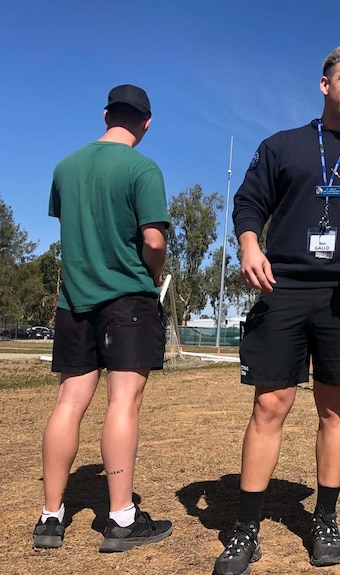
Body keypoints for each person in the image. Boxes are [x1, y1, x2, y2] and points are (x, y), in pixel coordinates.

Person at [213, 44, 340, 574]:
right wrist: (250, 245)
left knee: (334, 409)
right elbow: (249, 201)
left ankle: (324, 517)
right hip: (285, 288)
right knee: (270, 407)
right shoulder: (282, 147)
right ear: (324, 85)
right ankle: (246, 529)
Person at [33, 84, 172, 552]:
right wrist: (150, 281)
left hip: (74, 299)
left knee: (70, 402)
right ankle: (121, 518)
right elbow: (154, 241)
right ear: (146, 123)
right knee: (122, 403)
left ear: (106, 113)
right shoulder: (142, 168)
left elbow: (71, 225)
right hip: (127, 298)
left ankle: (51, 516)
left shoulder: (65, 168)